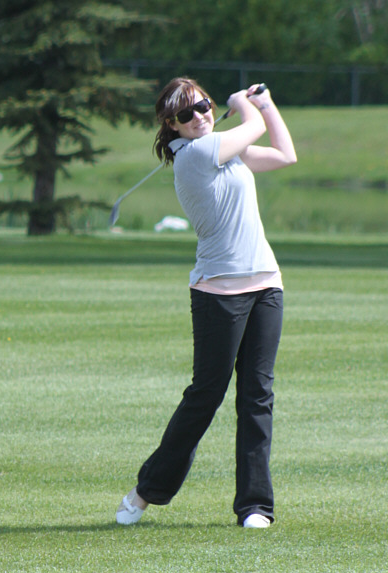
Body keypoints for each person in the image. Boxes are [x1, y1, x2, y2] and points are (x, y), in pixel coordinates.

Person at [115, 77, 297, 529]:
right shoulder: (195, 153)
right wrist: (242, 104)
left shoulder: (219, 147)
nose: (200, 116)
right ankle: (145, 492)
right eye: (187, 114)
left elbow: (284, 155)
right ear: (171, 126)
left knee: (258, 396)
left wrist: (267, 104)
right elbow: (248, 129)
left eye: (205, 106)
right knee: (206, 396)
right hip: (219, 292)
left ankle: (255, 506)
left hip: (266, 285)